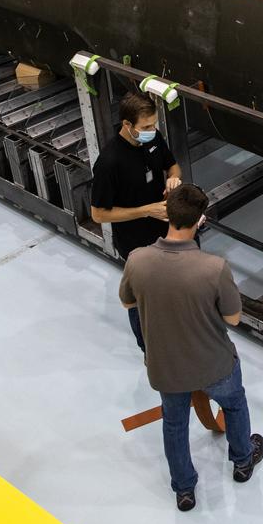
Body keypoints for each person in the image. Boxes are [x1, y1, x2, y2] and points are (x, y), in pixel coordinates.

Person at [119, 184, 263, 512]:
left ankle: (184, 489)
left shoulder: (138, 260)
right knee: (234, 404)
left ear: (166, 212)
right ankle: (243, 461)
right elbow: (234, 318)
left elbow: (128, 301)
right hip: (213, 363)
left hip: (166, 367)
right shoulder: (213, 268)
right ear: (200, 220)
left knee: (173, 423)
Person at [90, 91, 182, 349]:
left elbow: (173, 166)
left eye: (154, 124)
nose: (152, 130)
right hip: (135, 242)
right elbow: (98, 213)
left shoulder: (153, 139)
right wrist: (146, 210)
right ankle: (148, 349)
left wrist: (174, 178)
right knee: (141, 299)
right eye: (146, 127)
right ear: (127, 125)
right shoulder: (109, 163)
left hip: (163, 230)